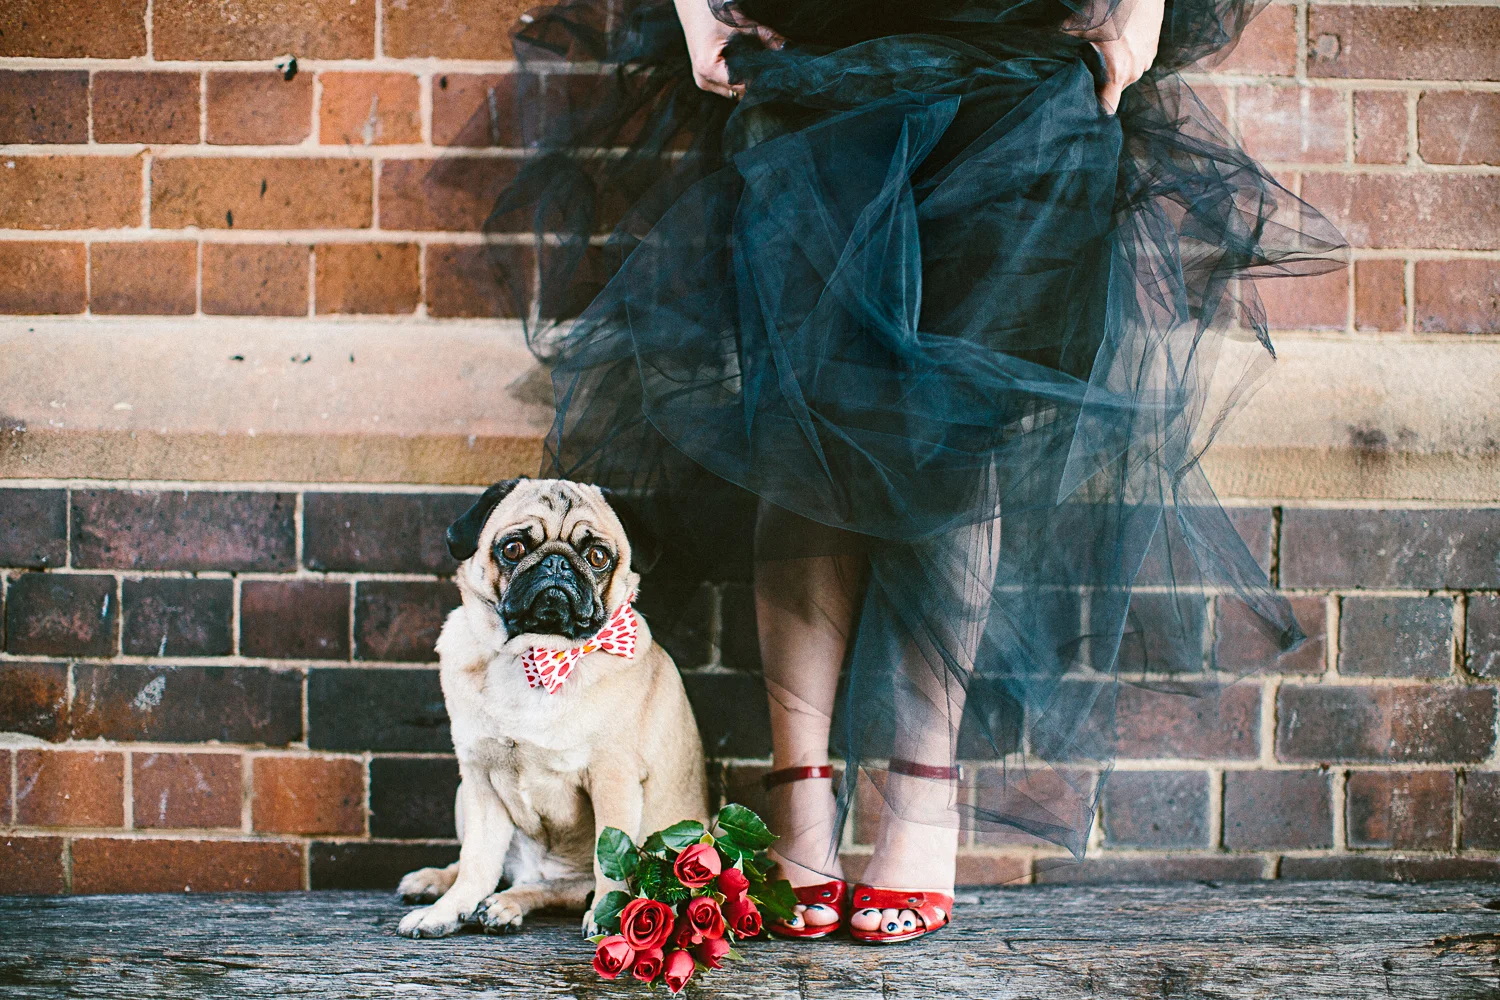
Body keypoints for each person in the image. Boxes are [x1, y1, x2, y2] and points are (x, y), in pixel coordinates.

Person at [481, 0, 1345, 944]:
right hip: (810, 58)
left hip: (1011, 74)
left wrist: (1139, 19)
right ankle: (799, 793)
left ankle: (923, 799)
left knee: (963, 436)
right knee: (797, 434)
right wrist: (695, 13)